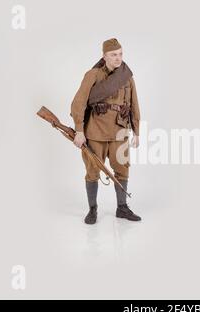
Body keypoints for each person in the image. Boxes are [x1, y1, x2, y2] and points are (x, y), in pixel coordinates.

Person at [70, 38, 142, 224]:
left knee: (122, 169)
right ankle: (92, 210)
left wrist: (137, 131)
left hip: (120, 132)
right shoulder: (93, 75)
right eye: (113, 55)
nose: (118, 58)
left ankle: (122, 208)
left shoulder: (126, 77)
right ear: (104, 56)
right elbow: (78, 103)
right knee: (93, 171)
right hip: (96, 133)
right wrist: (79, 130)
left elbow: (134, 104)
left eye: (120, 54)